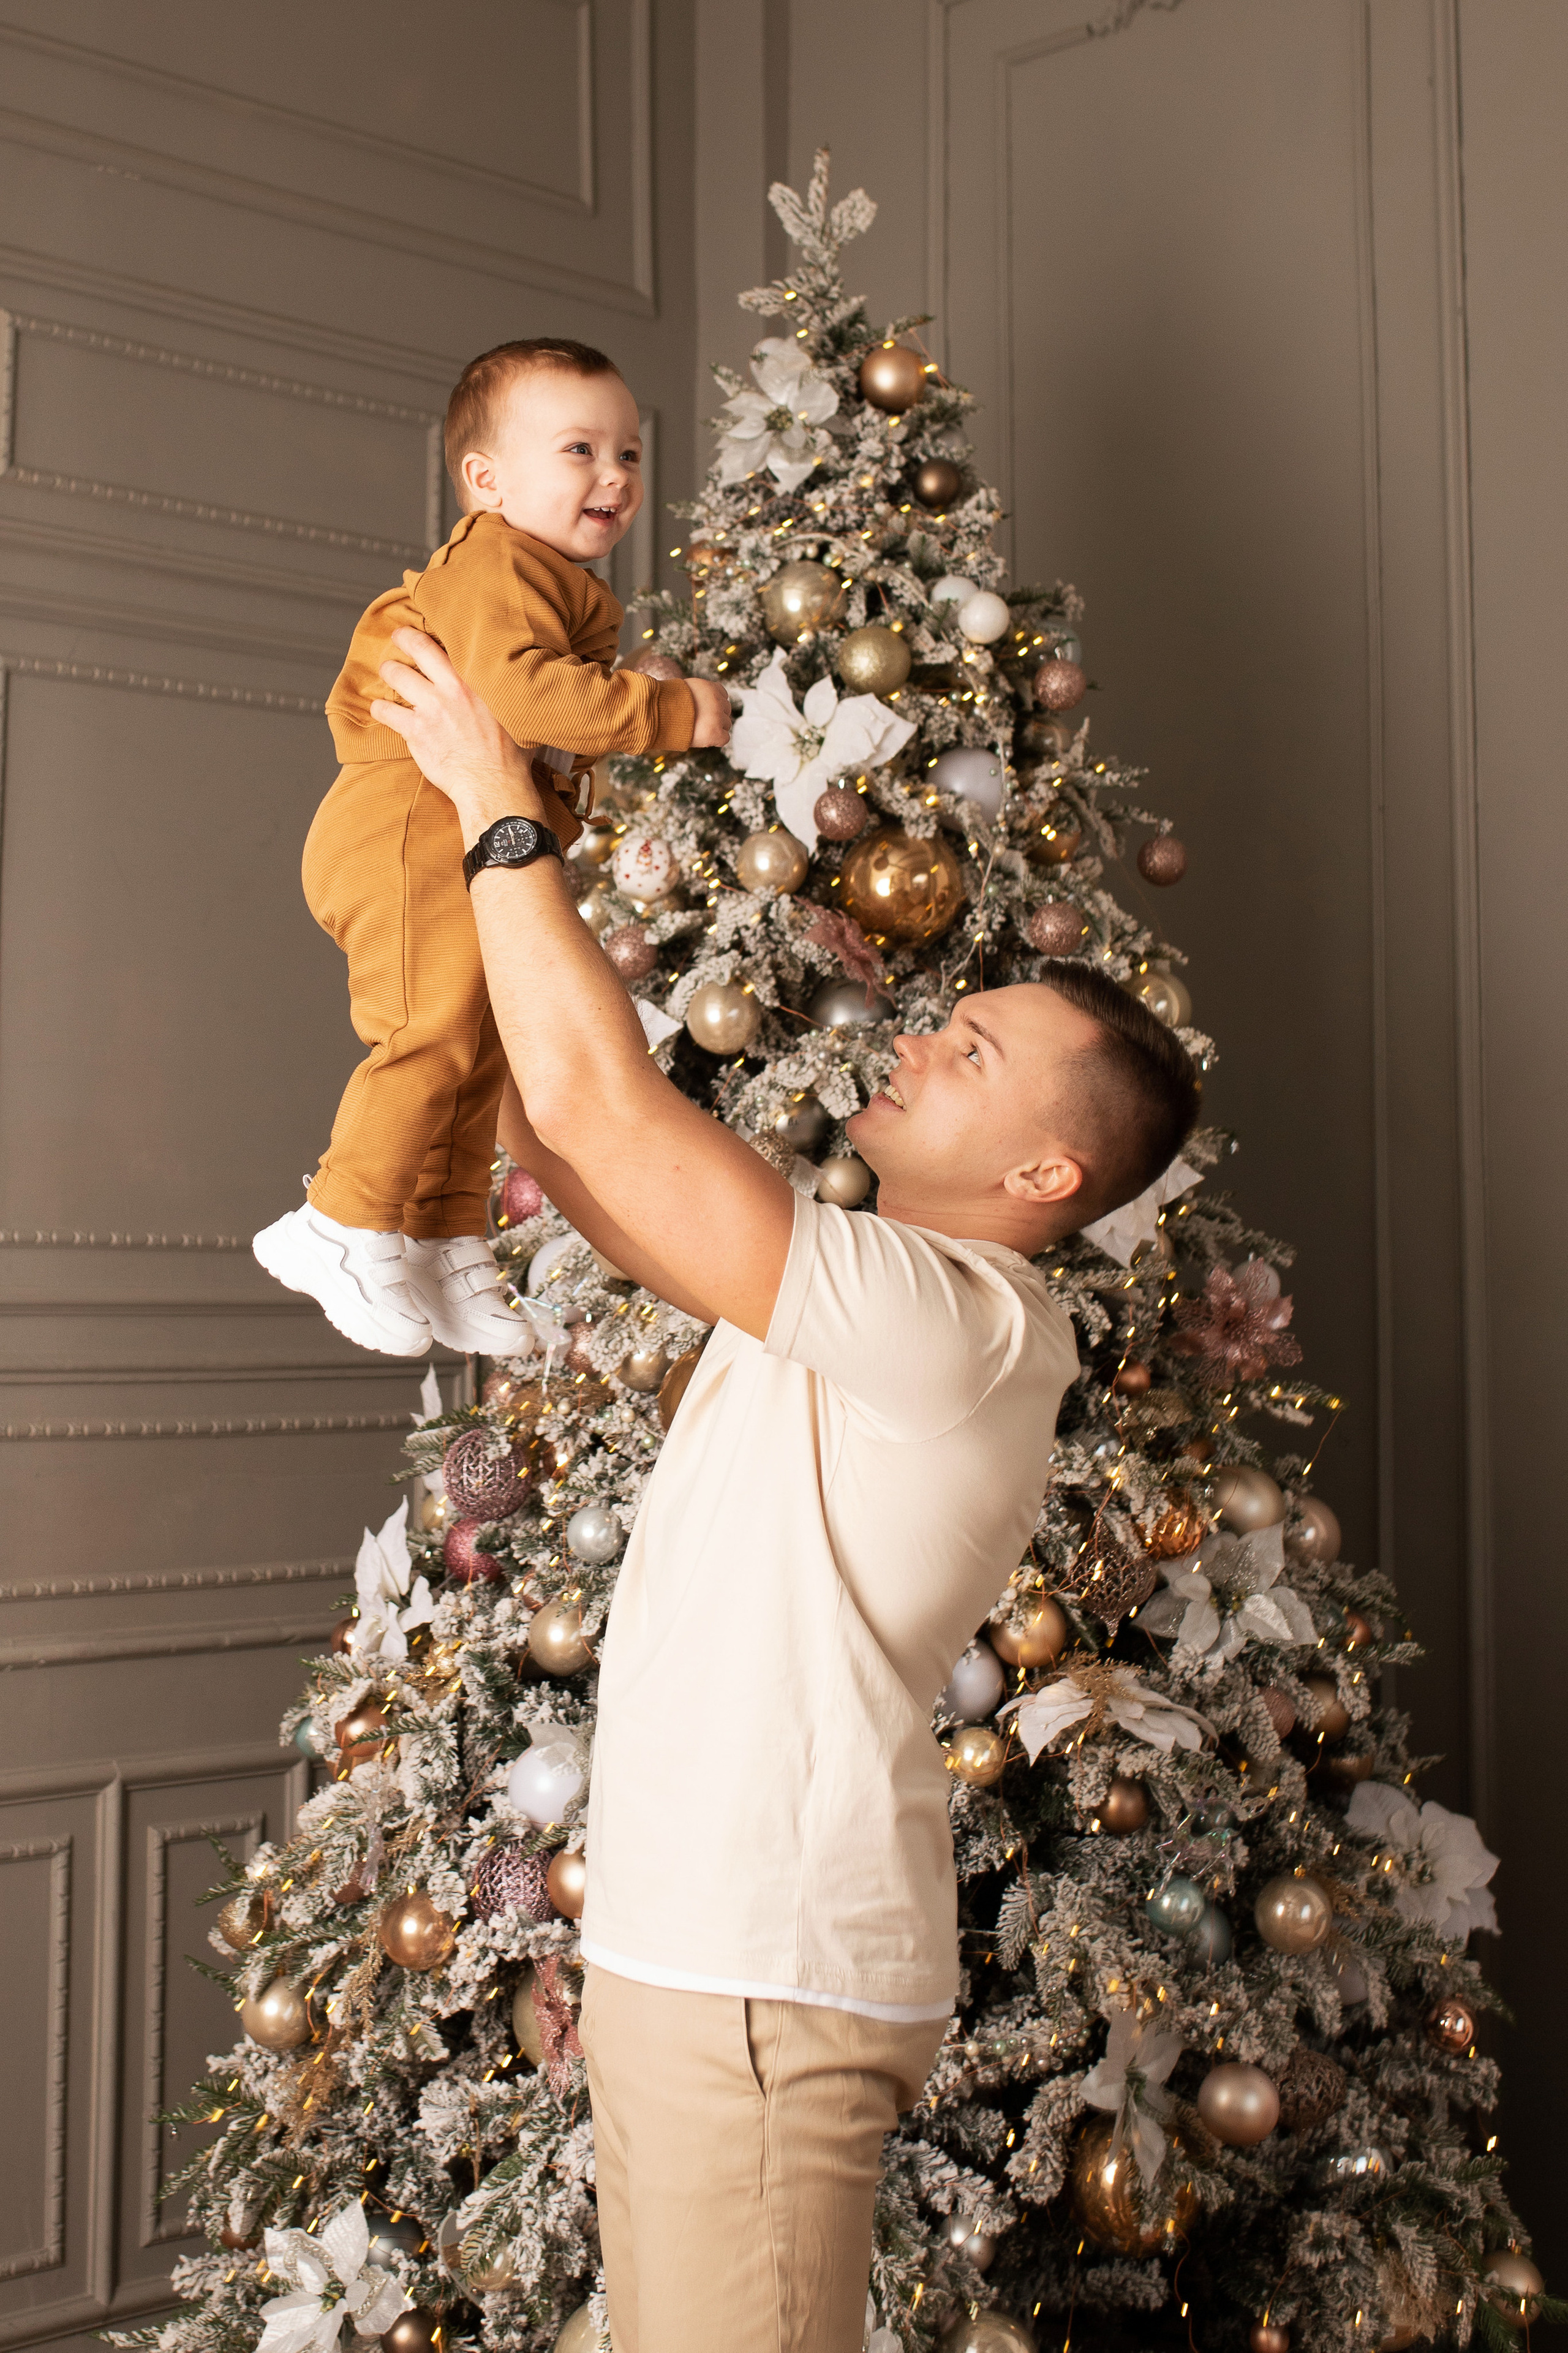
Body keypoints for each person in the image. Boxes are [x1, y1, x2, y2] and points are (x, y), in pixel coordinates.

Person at [368, 628, 1200, 2353]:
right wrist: (445, 944)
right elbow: (582, 1147)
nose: (915, 1046)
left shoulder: (965, 1315)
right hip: (712, 1945)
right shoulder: (852, 1289)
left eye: (974, 1055)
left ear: (1048, 1172)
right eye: (945, 1022)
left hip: (765, 1960)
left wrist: (497, 814)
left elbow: (617, 1110)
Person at [252, 338, 731, 1359]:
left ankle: (442, 1236)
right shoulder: (500, 560)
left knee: (480, 1046)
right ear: (487, 478)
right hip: (408, 829)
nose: (614, 474)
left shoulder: (551, 575)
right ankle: (341, 1222)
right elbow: (523, 696)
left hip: (451, 830)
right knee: (428, 1032)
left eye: (631, 454)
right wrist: (676, 708)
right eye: (580, 448)